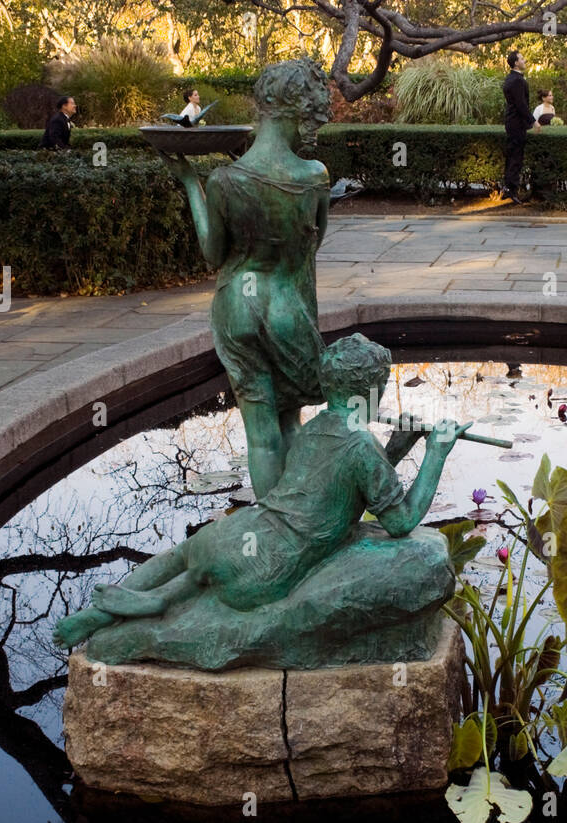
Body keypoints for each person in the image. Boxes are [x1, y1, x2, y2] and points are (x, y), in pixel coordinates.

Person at [51, 334, 472, 650]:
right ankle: (160, 602)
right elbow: (398, 521)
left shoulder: (318, 428)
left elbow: (350, 487)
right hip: (265, 572)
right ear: (374, 392)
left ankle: (121, 607)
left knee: (187, 559)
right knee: (209, 574)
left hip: (240, 535)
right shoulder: (360, 445)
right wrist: (435, 452)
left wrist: (399, 443)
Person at [155, 58, 332, 498]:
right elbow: (314, 244)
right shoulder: (313, 177)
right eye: (313, 117)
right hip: (287, 307)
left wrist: (190, 183)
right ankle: (299, 525)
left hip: (237, 305)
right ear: (292, 112)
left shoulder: (222, 180)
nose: (317, 128)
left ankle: (272, 533)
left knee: (260, 434)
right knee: (290, 419)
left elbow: (213, 254)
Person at [501, 49, 539, 204]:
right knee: (516, 157)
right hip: (517, 124)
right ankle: (511, 190)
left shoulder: (510, 79)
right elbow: (521, 105)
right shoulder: (517, 80)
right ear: (516, 62)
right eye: (522, 59)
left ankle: (508, 188)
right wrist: (533, 121)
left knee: (512, 156)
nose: (524, 61)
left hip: (512, 122)